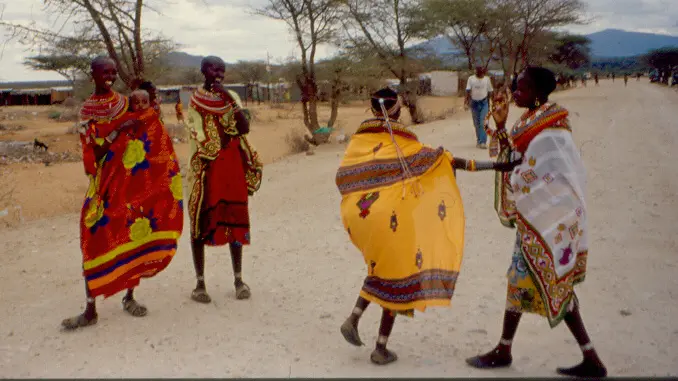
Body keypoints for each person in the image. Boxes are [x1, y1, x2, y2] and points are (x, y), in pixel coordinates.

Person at [337, 87, 519, 365]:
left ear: (373, 110)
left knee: (380, 266)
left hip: (362, 215)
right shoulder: (405, 141)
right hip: (395, 216)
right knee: (399, 274)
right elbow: (447, 161)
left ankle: (355, 316)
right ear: (397, 110)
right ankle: (380, 347)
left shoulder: (360, 140)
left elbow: (344, 176)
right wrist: (494, 167)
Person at [465, 66, 607, 378]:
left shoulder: (551, 130)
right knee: (530, 282)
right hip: (540, 218)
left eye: (522, 89)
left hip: (551, 219)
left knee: (544, 282)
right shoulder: (532, 120)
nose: (515, 93)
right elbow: (511, 158)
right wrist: (501, 128)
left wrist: (480, 166)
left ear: (539, 93)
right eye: (516, 87)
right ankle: (584, 356)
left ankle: (508, 350)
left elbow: (527, 170)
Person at [62, 56, 184, 330]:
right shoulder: (87, 112)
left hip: (130, 182)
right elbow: (93, 152)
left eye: (113, 72)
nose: (111, 76)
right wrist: (118, 130)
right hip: (104, 182)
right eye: (105, 72)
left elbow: (145, 130)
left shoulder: (125, 101)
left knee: (134, 229)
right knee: (91, 234)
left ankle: (129, 296)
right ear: (92, 74)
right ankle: (90, 308)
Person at [185, 56, 263, 304]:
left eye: (221, 70)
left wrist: (228, 99)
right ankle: (200, 284)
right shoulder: (195, 101)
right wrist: (213, 148)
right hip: (206, 167)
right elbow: (196, 133)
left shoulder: (231, 97)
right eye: (212, 69)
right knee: (199, 221)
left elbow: (243, 128)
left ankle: (239, 279)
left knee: (234, 219)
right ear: (202, 71)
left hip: (231, 165)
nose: (217, 73)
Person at [465, 66, 493, 149]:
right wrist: (466, 102)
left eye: (482, 72)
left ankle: (483, 142)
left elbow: (490, 91)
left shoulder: (487, 79)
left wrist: (494, 102)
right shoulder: (471, 79)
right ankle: (479, 140)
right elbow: (468, 90)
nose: (480, 74)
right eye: (478, 72)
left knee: (483, 122)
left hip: (484, 103)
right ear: (476, 72)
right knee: (476, 124)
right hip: (474, 103)